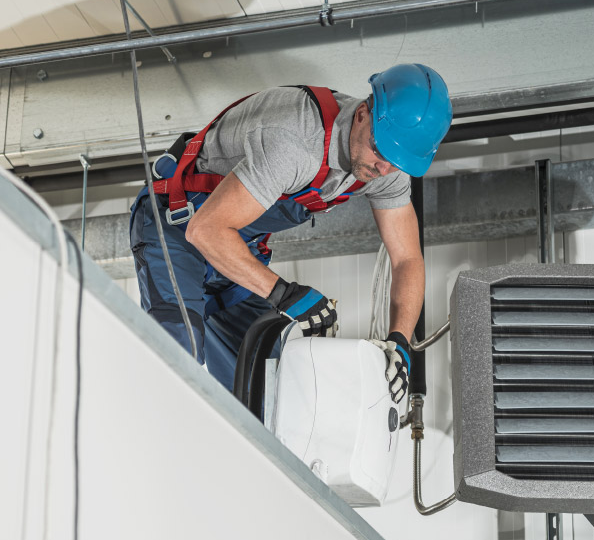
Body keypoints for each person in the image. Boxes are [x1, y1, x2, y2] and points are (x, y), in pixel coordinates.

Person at [129, 63, 452, 401]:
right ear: (362, 114)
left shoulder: (387, 168)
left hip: (234, 244)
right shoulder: (295, 140)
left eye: (396, 162)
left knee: (271, 385)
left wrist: (399, 342)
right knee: (178, 364)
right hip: (177, 227)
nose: (382, 168)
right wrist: (284, 294)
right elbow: (205, 230)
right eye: (379, 150)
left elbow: (407, 259)